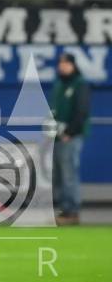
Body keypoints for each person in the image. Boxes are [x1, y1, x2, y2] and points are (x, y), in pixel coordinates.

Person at [51, 53, 90, 225]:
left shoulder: (80, 84)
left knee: (69, 174)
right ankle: (62, 209)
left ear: (73, 65)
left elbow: (82, 111)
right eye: (61, 63)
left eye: (66, 63)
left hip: (71, 137)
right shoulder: (59, 84)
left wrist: (70, 132)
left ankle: (71, 211)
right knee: (58, 175)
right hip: (57, 136)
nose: (63, 66)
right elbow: (55, 109)